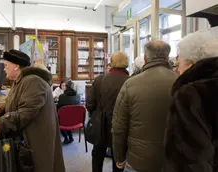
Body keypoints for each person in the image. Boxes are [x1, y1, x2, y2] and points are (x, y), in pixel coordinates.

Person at [0, 49, 66, 172]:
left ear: (16, 66)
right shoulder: (21, 81)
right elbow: (14, 102)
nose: (4, 69)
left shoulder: (32, 81)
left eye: (6, 65)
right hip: (29, 141)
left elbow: (25, 114)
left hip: (36, 143)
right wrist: (0, 109)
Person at [112, 41, 176, 172]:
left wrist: (119, 156)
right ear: (167, 57)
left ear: (145, 58)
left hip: (138, 160)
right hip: (172, 158)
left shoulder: (131, 84)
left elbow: (119, 126)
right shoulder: (182, 81)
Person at [163, 30, 218, 172]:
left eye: (179, 63)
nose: (177, 69)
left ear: (191, 64)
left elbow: (189, 159)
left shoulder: (190, 94)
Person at [86, 51, 130, 172]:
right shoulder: (131, 81)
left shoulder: (100, 80)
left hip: (101, 124)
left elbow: (89, 104)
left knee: (98, 155)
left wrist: (97, 112)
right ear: (126, 63)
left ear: (111, 63)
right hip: (123, 126)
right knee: (119, 158)